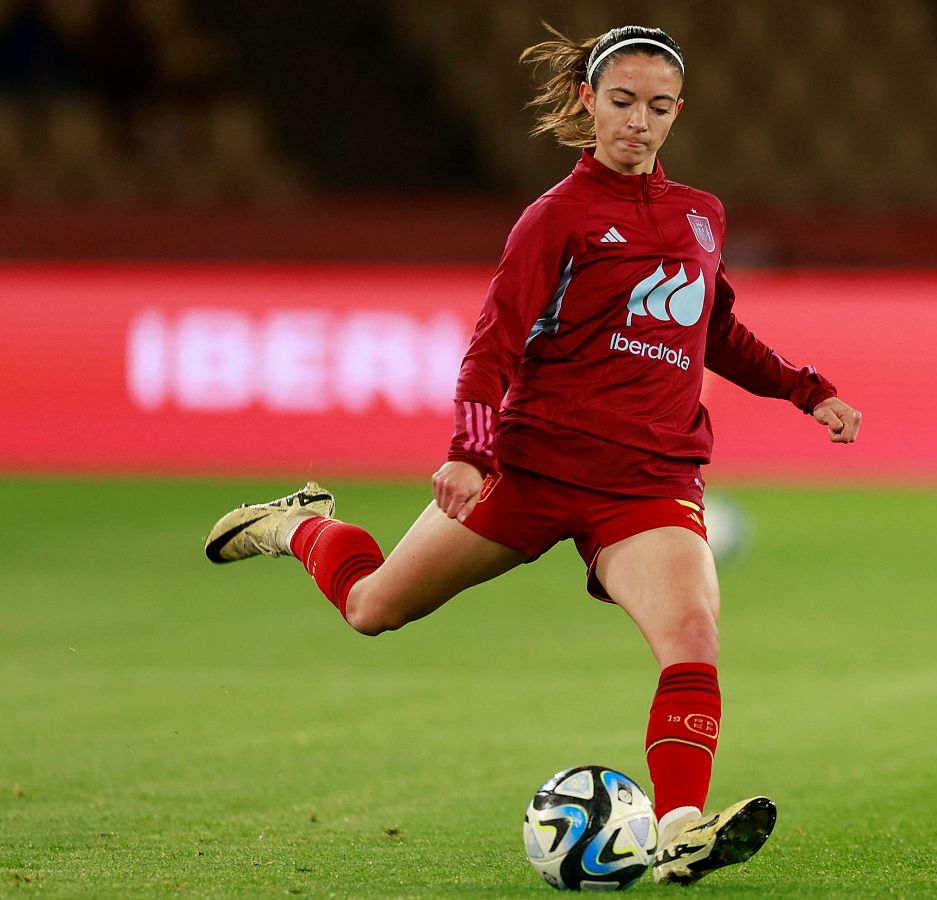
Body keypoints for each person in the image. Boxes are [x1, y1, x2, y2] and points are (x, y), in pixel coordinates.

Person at [203, 24, 862, 886]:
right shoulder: (556, 218)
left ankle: (682, 830)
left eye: (658, 108)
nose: (639, 122)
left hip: (650, 481)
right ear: (589, 102)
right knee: (372, 608)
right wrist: (470, 452)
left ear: (678, 113)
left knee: (692, 634)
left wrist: (807, 390)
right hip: (534, 469)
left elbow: (716, 329)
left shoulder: (701, 213)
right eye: (622, 103)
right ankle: (296, 527)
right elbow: (493, 344)